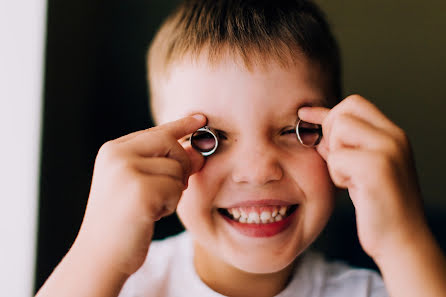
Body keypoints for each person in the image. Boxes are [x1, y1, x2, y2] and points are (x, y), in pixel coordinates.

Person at [35, 0, 446, 296]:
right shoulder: (116, 284)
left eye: (295, 130)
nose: (257, 170)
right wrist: (97, 252)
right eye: (207, 138)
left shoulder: (381, 289)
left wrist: (402, 240)